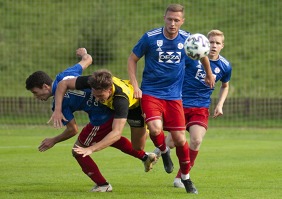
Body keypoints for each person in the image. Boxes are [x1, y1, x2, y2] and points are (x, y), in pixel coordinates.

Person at [25, 48, 156, 193]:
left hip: (101, 118)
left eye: (35, 92)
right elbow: (87, 60)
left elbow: (72, 129)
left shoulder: (59, 104)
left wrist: (54, 140)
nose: (35, 96)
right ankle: (144, 156)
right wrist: (83, 53)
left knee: (78, 151)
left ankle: (103, 184)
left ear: (45, 86)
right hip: (112, 106)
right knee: (111, 139)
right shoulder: (65, 75)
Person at [127, 4, 215, 194]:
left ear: (182, 21)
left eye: (177, 20)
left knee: (181, 140)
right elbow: (132, 59)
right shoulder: (150, 38)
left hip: (175, 96)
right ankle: (164, 152)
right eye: (169, 19)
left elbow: (203, 54)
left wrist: (209, 74)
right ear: (164, 18)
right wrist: (135, 86)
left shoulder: (188, 39)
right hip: (151, 93)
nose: (172, 23)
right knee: (155, 128)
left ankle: (186, 178)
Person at [161, 29, 232, 189]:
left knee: (196, 140)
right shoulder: (192, 57)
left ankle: (181, 177)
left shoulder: (225, 66)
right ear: (205, 43)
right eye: (211, 42)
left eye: (217, 43)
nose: (214, 46)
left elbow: (225, 86)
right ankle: (162, 150)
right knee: (172, 142)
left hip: (200, 107)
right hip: (180, 103)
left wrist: (219, 105)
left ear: (222, 46)